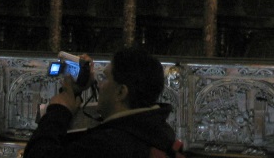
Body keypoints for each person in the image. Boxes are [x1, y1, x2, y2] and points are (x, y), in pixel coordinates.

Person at [25, 47, 178, 158]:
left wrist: (58, 111)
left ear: (121, 92)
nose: (99, 84)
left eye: (105, 78)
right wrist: (75, 91)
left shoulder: (109, 145)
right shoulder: (159, 131)